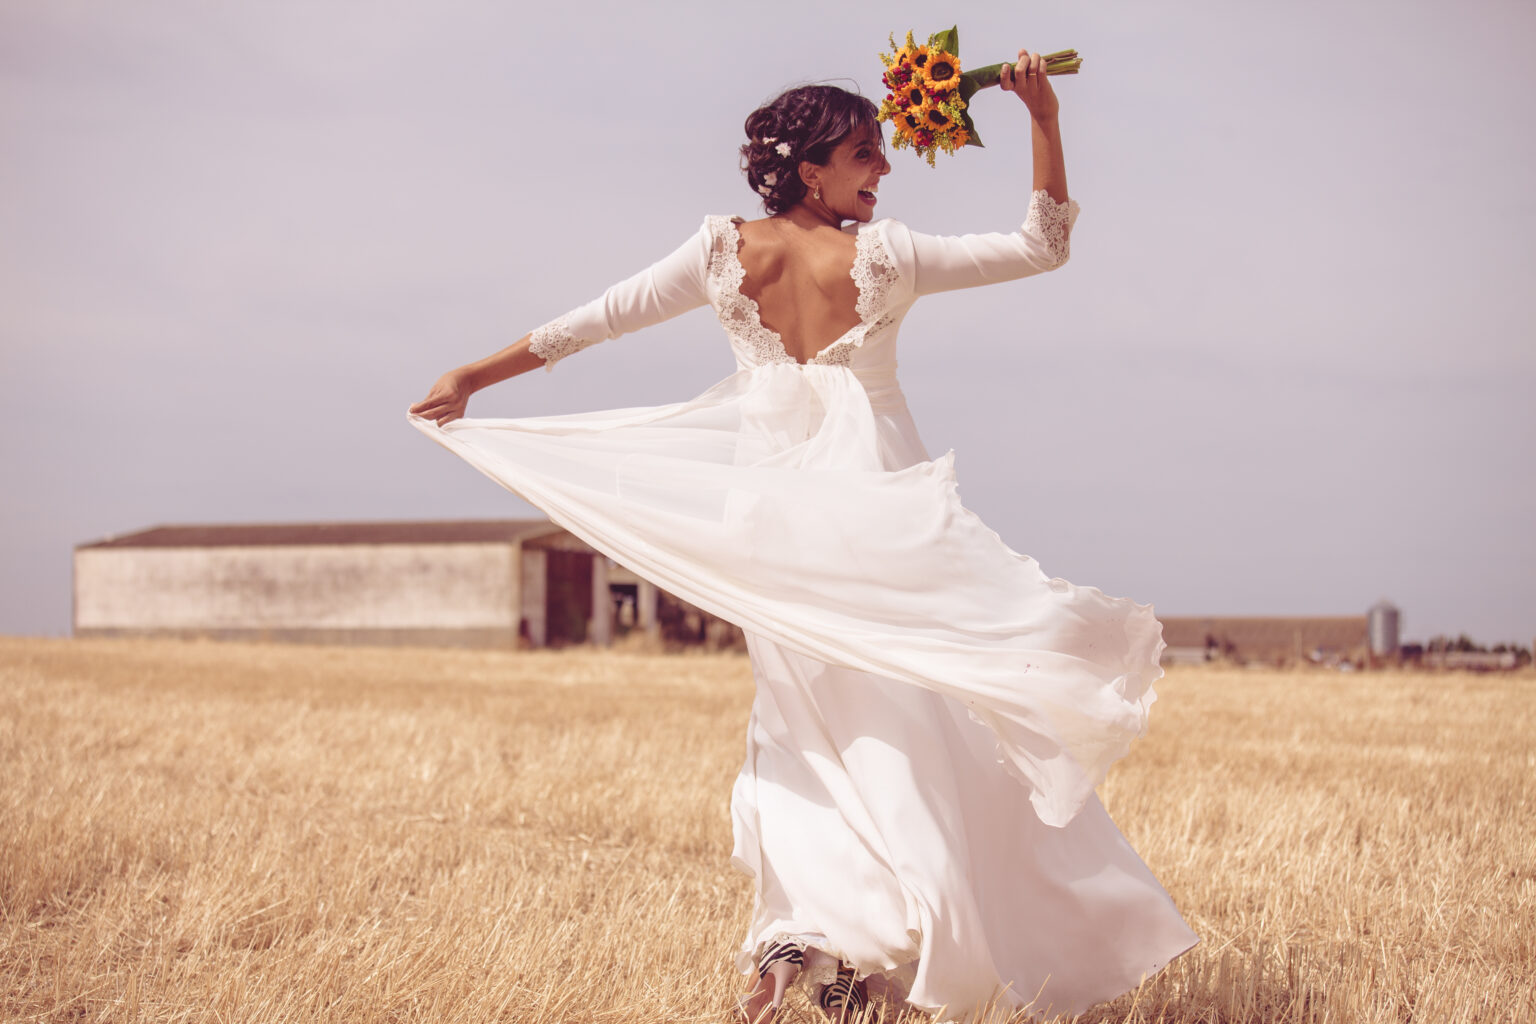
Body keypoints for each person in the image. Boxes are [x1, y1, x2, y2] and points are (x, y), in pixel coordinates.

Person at [410, 48, 1197, 1023]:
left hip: (771, 530)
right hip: (879, 526)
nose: (886, 170)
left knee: (803, 732)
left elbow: (597, 322)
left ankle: (812, 939)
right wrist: (1043, 119)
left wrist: (472, 379)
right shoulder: (889, 258)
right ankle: (874, 939)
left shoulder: (719, 252)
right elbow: (1042, 244)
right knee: (913, 733)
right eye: (866, 153)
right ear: (809, 169)